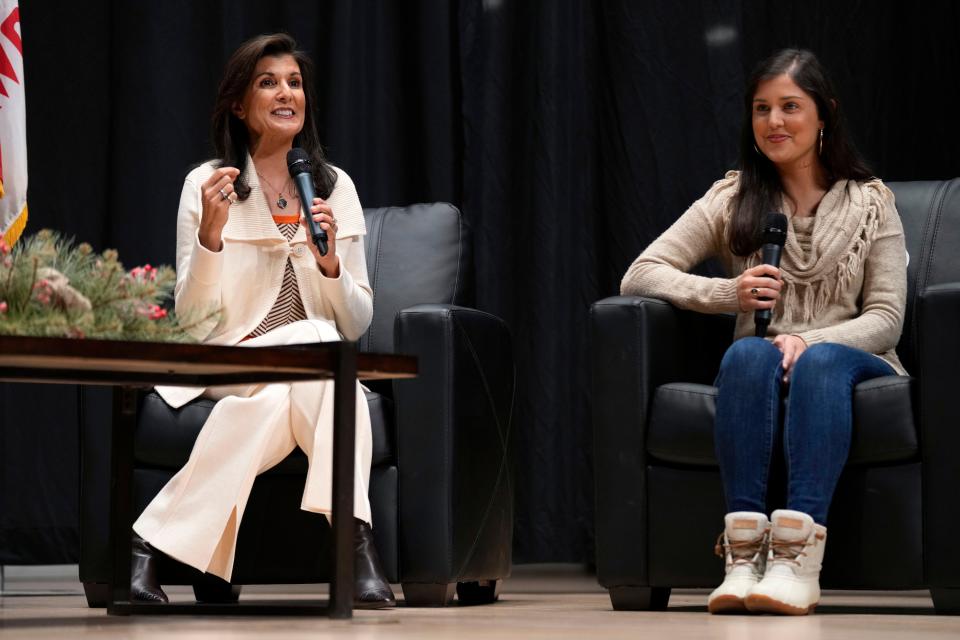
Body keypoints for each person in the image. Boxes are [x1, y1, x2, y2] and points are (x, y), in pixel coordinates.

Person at [620, 49, 906, 616]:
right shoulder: (732, 199)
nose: (774, 122)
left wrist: (811, 341)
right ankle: (744, 558)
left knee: (818, 364)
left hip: (850, 359)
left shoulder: (873, 203)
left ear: (824, 114)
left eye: (790, 107)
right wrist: (730, 294)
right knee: (747, 356)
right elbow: (640, 274)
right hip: (762, 362)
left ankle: (798, 561)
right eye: (761, 108)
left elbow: (886, 317)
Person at [129, 33, 395, 609]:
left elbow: (354, 323)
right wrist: (210, 239)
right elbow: (195, 324)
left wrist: (330, 269)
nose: (286, 93)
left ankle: (149, 543)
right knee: (322, 346)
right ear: (238, 104)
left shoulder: (333, 187)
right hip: (230, 359)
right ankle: (355, 545)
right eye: (268, 82)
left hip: (307, 369)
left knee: (316, 355)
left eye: (295, 83)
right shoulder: (209, 184)